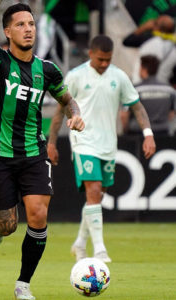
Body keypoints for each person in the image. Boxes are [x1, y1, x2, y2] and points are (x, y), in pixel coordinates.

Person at [0, 2, 85, 300]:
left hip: (33, 153)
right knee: (7, 226)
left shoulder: (47, 69)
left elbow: (67, 99)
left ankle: (23, 284)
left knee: (37, 214)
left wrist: (75, 113)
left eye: (31, 24)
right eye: (20, 25)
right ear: (7, 32)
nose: (28, 30)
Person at [48, 35, 157, 265]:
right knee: (94, 190)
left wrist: (148, 135)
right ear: (91, 54)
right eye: (100, 59)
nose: (105, 63)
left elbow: (137, 107)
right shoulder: (76, 76)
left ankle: (79, 243)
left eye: (108, 59)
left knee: (97, 197)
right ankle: (99, 250)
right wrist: (52, 142)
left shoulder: (119, 76)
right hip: (83, 142)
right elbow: (59, 111)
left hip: (108, 145)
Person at [121, 55, 176, 136]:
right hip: (163, 134)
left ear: (143, 69)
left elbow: (124, 115)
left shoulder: (134, 90)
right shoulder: (170, 90)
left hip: (138, 135)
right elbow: (172, 114)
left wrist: (125, 132)